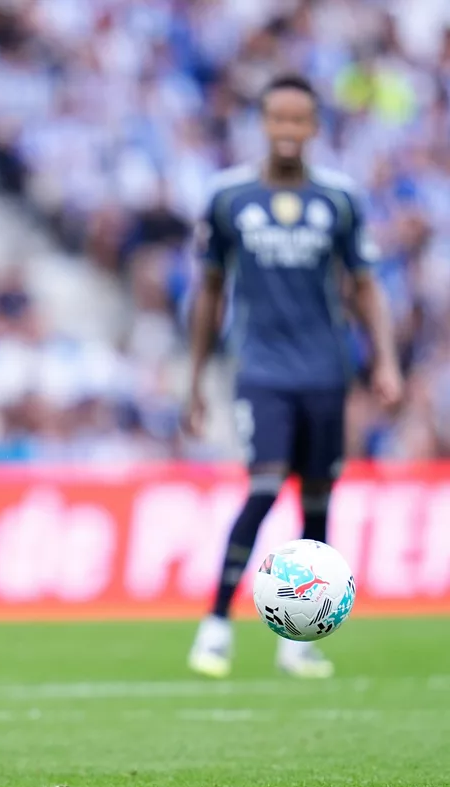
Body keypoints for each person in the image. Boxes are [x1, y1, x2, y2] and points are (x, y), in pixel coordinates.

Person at [184, 73, 402, 679]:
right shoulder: (228, 196)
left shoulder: (338, 199)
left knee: (317, 500)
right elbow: (209, 290)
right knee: (263, 484)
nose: (287, 130)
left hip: (325, 370)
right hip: (261, 368)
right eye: (277, 119)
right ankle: (217, 624)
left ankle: (299, 639)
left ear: (313, 127)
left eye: (298, 120)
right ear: (263, 123)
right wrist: (196, 379)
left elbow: (364, 285)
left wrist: (382, 358)